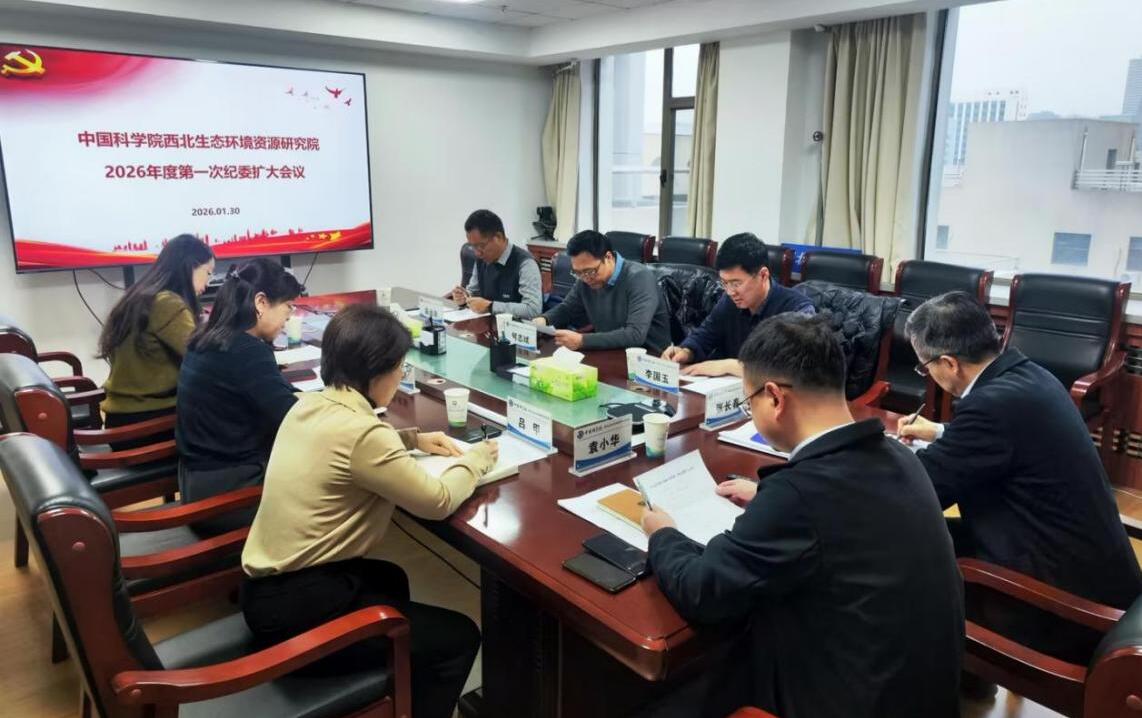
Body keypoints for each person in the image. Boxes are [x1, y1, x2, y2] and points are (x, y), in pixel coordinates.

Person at [642, 313, 963, 718]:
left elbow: (702, 590)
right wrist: (768, 496)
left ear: (775, 398)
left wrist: (662, 533)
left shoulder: (799, 495)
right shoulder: (897, 453)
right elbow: (840, 514)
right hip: (920, 692)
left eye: (748, 401)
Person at [241, 303, 497, 718]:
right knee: (458, 638)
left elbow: (350, 448)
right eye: (399, 367)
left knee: (389, 577)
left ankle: (397, 691)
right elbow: (436, 501)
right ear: (377, 371)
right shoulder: (363, 434)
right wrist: (476, 460)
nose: (400, 375)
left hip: (266, 591)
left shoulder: (308, 404)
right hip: (296, 613)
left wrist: (411, 439)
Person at [898, 291, 1142, 661]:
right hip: (1098, 576)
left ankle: (944, 673)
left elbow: (922, 492)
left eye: (925, 367)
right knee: (929, 539)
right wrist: (943, 433)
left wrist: (876, 457)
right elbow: (1013, 445)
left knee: (904, 544)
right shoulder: (1030, 375)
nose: (927, 374)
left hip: (1064, 608)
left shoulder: (989, 407)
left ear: (948, 363)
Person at [175, 259, 302, 531]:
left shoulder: (209, 337)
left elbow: (278, 395)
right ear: (261, 302)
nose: (289, 317)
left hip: (197, 486)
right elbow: (294, 421)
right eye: (288, 306)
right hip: (230, 498)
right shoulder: (246, 351)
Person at [98, 234, 214, 437]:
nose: (208, 283)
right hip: (148, 424)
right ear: (190, 267)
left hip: (123, 420)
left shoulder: (141, 296)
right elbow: (205, 358)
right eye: (208, 273)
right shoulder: (167, 304)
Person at [661, 233, 814, 377]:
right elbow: (705, 335)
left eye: (736, 283)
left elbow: (792, 369)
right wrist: (686, 351)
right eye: (724, 283)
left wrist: (730, 366)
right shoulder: (730, 302)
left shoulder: (798, 309)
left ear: (763, 275)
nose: (730, 292)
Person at [535, 230, 672, 354]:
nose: (585, 278)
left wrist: (582, 341)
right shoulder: (585, 279)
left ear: (608, 257)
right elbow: (568, 308)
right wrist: (544, 320)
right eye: (578, 273)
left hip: (648, 358)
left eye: (590, 271)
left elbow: (635, 334)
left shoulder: (639, 278)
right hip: (609, 352)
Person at [449, 209, 542, 319]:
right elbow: (473, 292)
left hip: (514, 327)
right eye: (473, 246)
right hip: (485, 325)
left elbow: (533, 310)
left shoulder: (526, 264)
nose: (477, 253)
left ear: (498, 237)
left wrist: (491, 306)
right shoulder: (481, 259)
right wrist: (464, 297)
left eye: (481, 246)